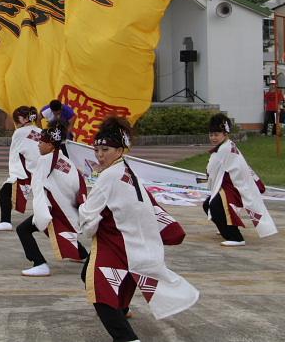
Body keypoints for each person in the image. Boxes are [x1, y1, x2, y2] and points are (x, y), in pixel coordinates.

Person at [79, 116, 198, 342]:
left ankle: (126, 338)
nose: (100, 155)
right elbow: (148, 203)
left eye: (106, 149)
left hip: (115, 241)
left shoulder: (109, 176)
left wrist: (86, 217)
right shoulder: (125, 169)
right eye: (96, 149)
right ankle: (122, 310)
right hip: (133, 241)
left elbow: (88, 213)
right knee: (96, 275)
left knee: (99, 290)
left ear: (120, 150)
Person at [17, 123, 88, 276]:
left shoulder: (45, 161)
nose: (38, 145)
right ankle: (83, 255)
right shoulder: (65, 160)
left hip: (54, 210)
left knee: (23, 229)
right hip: (66, 210)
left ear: (50, 145)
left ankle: (39, 263)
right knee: (58, 232)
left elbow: (38, 187)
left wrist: (42, 212)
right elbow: (75, 185)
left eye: (41, 142)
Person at [203, 113, 277, 246]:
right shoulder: (226, 146)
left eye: (216, 134)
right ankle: (224, 227)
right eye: (211, 134)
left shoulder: (225, 149)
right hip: (228, 184)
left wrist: (209, 175)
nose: (213, 138)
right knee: (208, 204)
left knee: (216, 205)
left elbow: (213, 169)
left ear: (225, 134)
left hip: (235, 187)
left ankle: (236, 237)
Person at [0, 106, 41, 231]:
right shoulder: (39, 131)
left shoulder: (20, 132)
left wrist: (18, 172)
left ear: (21, 119)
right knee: (44, 198)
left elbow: (17, 154)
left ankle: (6, 221)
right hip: (41, 170)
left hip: (26, 171)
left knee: (4, 193)